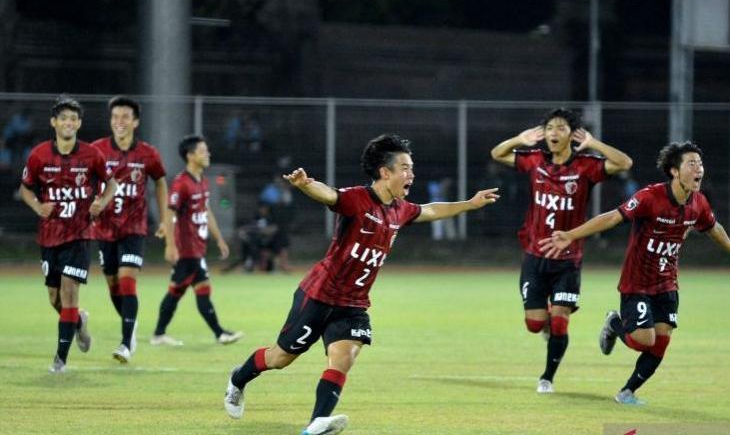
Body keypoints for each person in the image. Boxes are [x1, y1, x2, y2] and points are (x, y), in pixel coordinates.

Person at [223, 133, 500, 435]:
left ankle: (315, 424)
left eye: (411, 168)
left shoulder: (400, 209)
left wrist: (470, 204)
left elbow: (432, 209)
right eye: (405, 168)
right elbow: (329, 195)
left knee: (344, 357)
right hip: (319, 294)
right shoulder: (357, 200)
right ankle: (238, 379)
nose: (412, 174)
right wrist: (305, 185)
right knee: (280, 358)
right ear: (385, 172)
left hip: (353, 304)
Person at [539, 141, 730, 405]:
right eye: (692, 163)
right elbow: (612, 217)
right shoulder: (650, 197)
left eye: (700, 164)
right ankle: (614, 323)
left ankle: (627, 392)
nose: (699, 169)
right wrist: (571, 235)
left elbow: (713, 227)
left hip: (667, 283)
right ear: (674, 171)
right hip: (637, 283)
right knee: (643, 340)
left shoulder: (698, 203)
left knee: (661, 342)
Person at [490, 108, 633, 394]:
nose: (554, 133)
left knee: (559, 320)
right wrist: (519, 138)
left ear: (571, 134)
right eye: (550, 128)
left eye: (561, 128)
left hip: (569, 261)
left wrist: (593, 143)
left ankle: (547, 378)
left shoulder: (585, 166)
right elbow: (497, 154)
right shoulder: (535, 161)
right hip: (534, 256)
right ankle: (546, 325)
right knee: (535, 323)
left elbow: (624, 162)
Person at [19, 95, 117, 373]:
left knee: (69, 291)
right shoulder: (39, 155)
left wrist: (101, 202)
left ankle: (60, 360)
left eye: (73, 118)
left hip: (80, 234)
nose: (68, 123)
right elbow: (25, 187)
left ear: (79, 123)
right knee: (55, 299)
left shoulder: (91, 155)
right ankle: (79, 322)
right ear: (54, 122)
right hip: (50, 236)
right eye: (63, 118)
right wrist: (38, 206)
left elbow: (111, 185)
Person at [91, 96, 174, 363]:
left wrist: (163, 219)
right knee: (114, 286)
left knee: (127, 282)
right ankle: (131, 324)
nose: (120, 122)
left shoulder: (147, 153)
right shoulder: (97, 150)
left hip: (134, 228)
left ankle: (126, 343)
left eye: (125, 117)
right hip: (104, 230)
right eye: (115, 117)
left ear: (136, 122)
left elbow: (160, 182)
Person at [150, 134, 243, 346]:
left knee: (181, 290)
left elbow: (206, 210)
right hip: (186, 249)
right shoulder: (182, 183)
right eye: (202, 151)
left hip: (196, 247)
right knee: (193, 290)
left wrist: (219, 238)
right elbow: (170, 211)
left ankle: (160, 334)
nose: (207, 153)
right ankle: (219, 333)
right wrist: (171, 245)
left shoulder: (201, 180)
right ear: (190, 156)